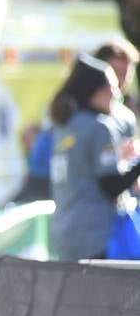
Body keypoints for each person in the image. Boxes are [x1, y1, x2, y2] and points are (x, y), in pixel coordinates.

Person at [48, 54, 140, 261]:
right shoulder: (99, 127)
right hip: (95, 235)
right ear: (93, 91)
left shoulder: (65, 124)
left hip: (65, 233)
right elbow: (110, 185)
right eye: (111, 86)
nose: (117, 93)